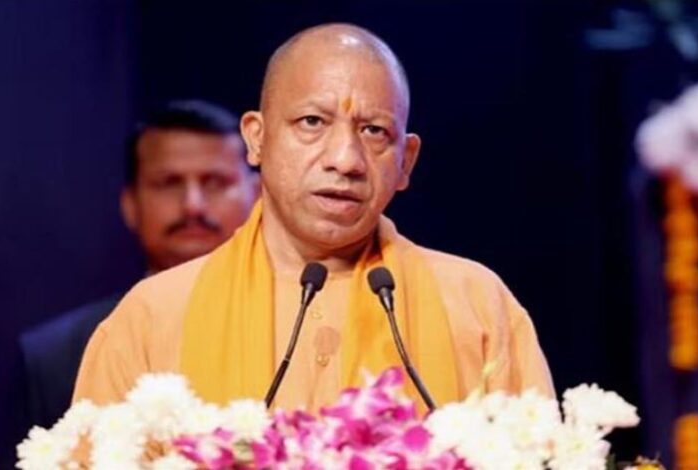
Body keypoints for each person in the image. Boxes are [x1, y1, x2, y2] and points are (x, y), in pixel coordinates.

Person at [73, 24, 553, 412]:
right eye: (312, 122)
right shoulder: (152, 317)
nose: (345, 159)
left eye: (374, 131)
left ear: (406, 161)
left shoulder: (476, 304)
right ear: (256, 139)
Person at [19, 100, 260, 427]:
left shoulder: (301, 329)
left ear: (257, 195)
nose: (193, 205)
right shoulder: (56, 356)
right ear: (130, 204)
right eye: (168, 183)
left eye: (215, 182)